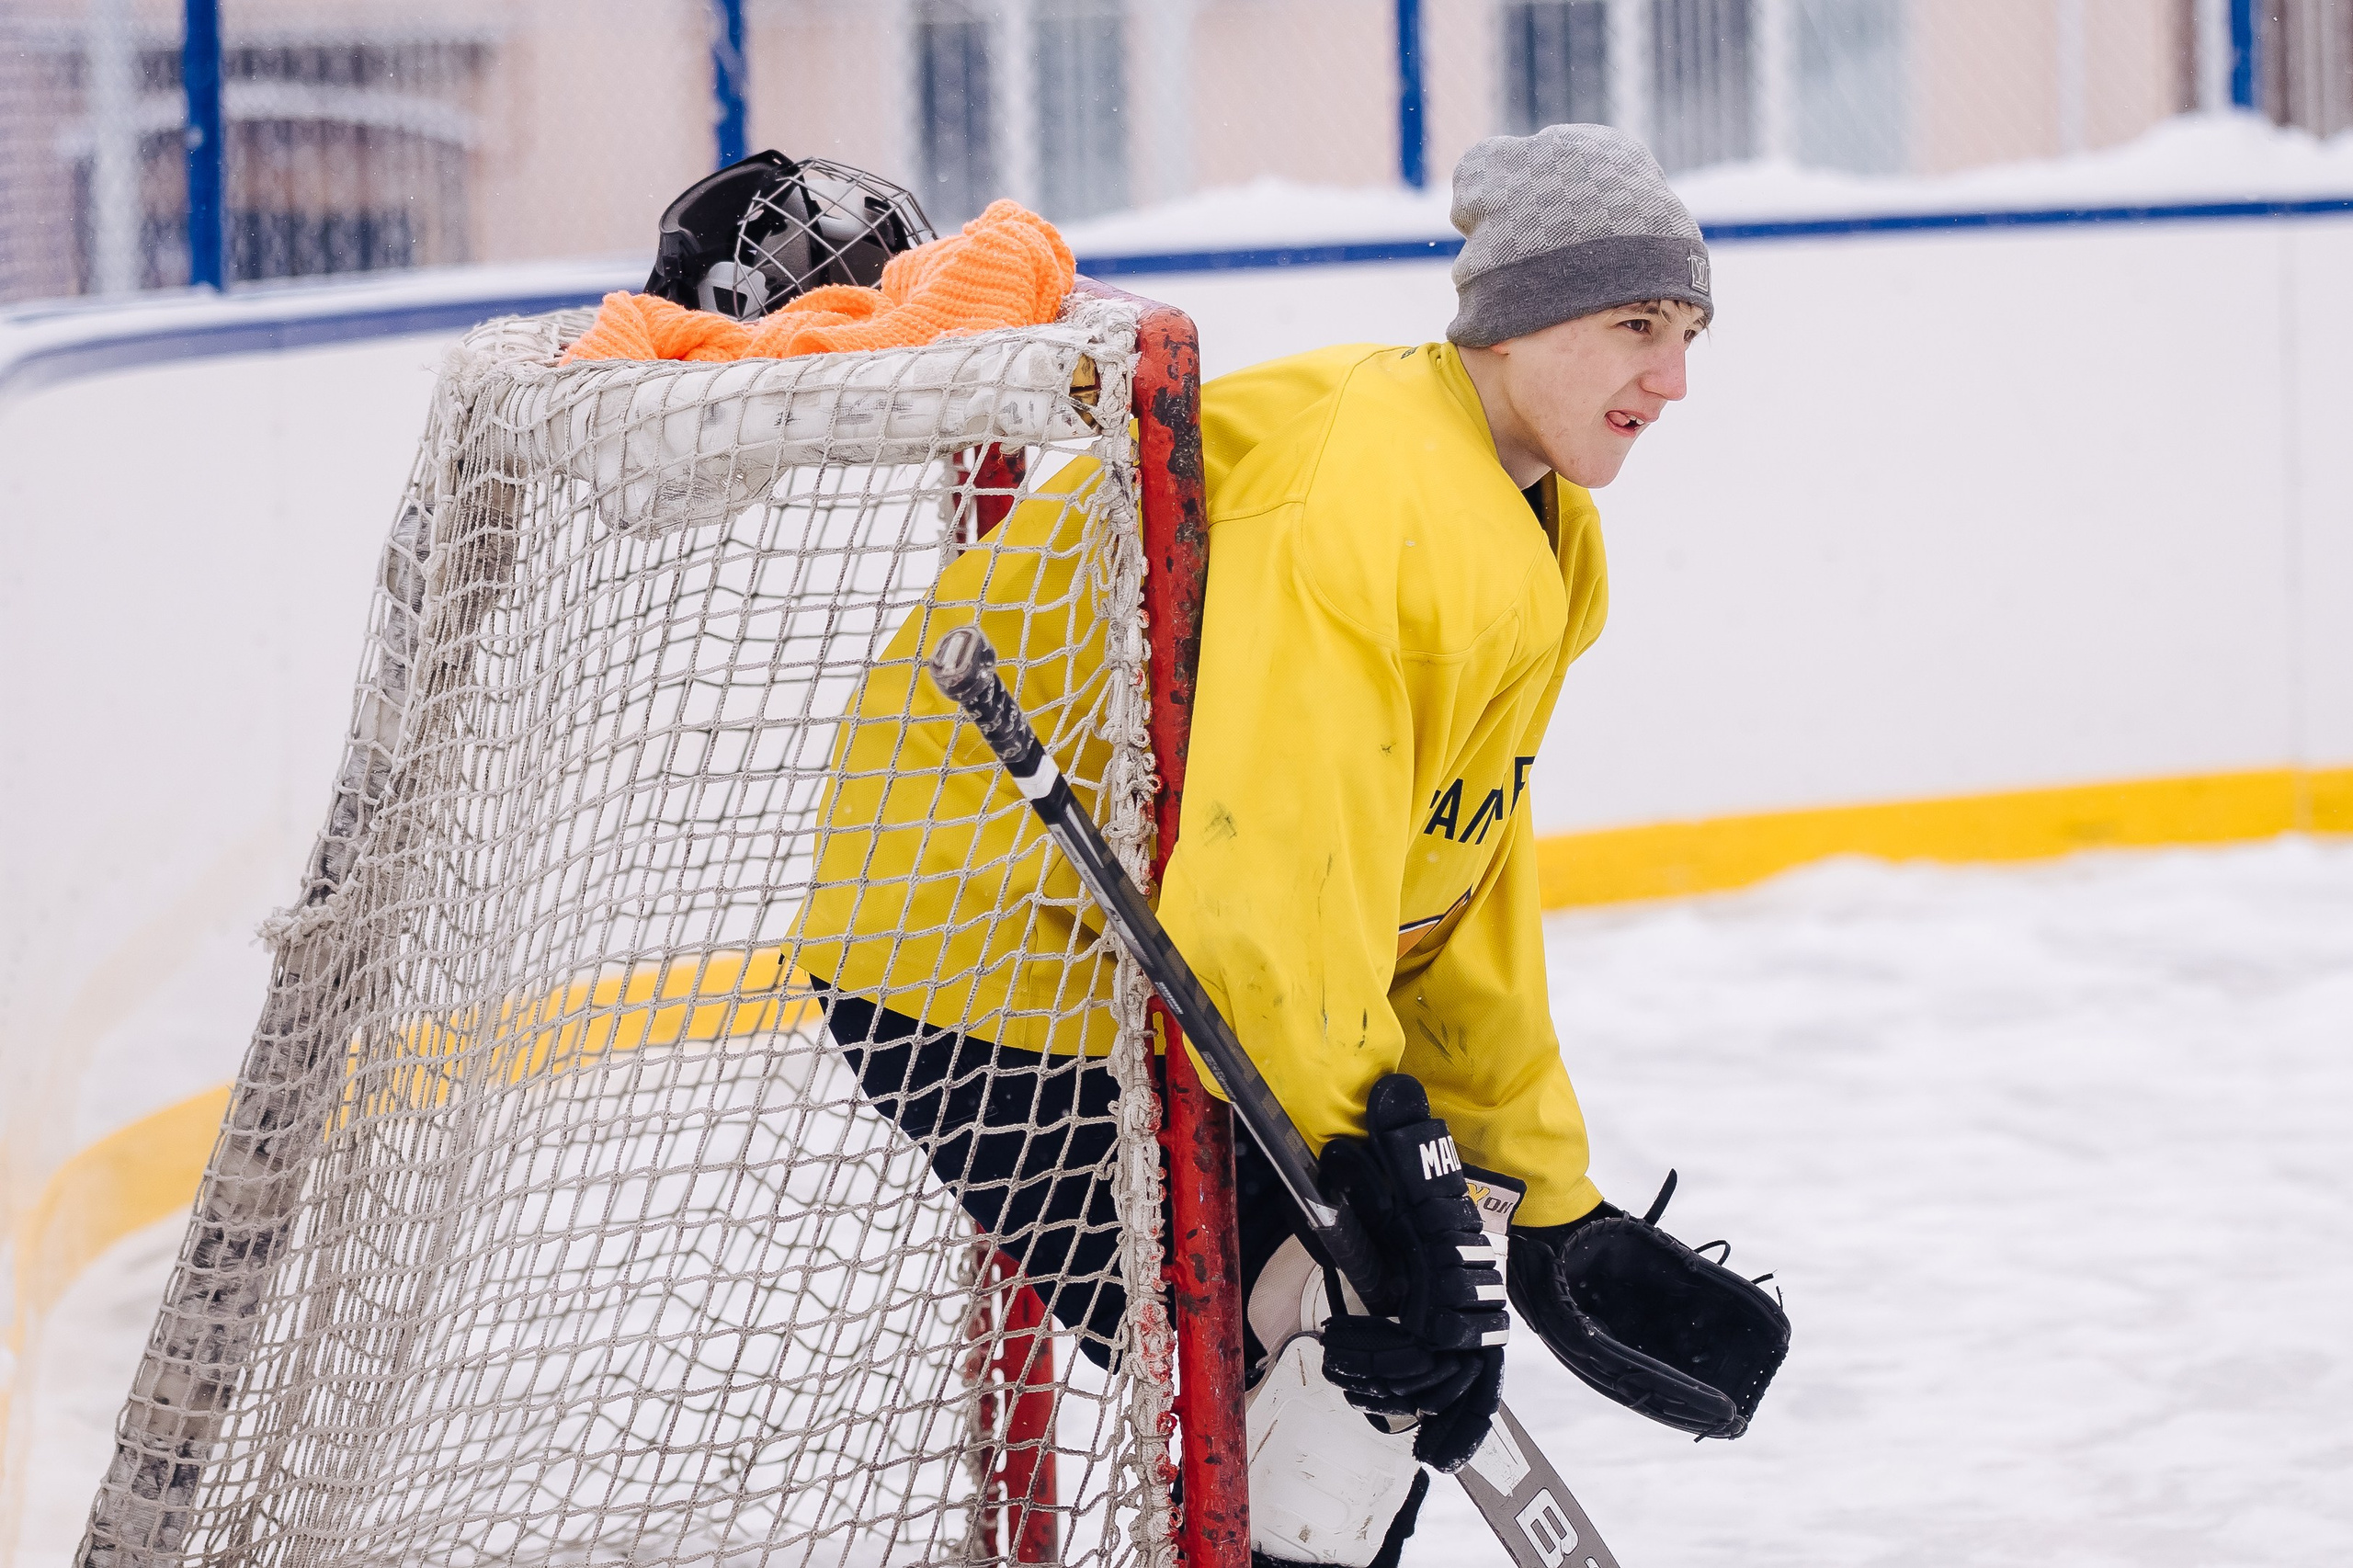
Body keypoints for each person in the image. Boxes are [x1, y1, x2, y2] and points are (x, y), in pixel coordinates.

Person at [796, 124, 1790, 1568]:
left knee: (1374, 1361)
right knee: (1346, 1356)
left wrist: (1545, 1197)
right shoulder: (1362, 502)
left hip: (1149, 942)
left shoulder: (1543, 533)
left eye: (1689, 330)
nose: (1674, 376)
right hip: (975, 931)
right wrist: (1366, 1169)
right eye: (1637, 323)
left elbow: (1446, 884)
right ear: (1513, 319)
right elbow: (1268, 884)